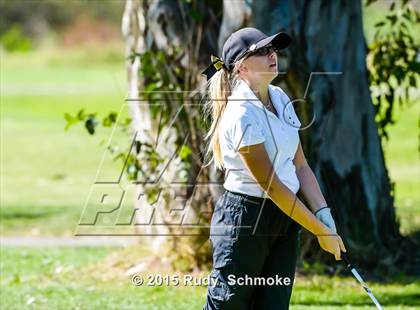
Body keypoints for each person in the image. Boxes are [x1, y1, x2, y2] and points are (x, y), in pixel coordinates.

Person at [201, 27, 347, 310]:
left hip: (282, 218)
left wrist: (323, 213)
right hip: (245, 219)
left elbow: (300, 164)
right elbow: (272, 186)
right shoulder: (241, 113)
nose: (272, 55)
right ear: (242, 67)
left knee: (274, 305)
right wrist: (320, 232)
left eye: (273, 49)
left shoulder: (279, 97)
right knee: (228, 304)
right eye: (262, 51)